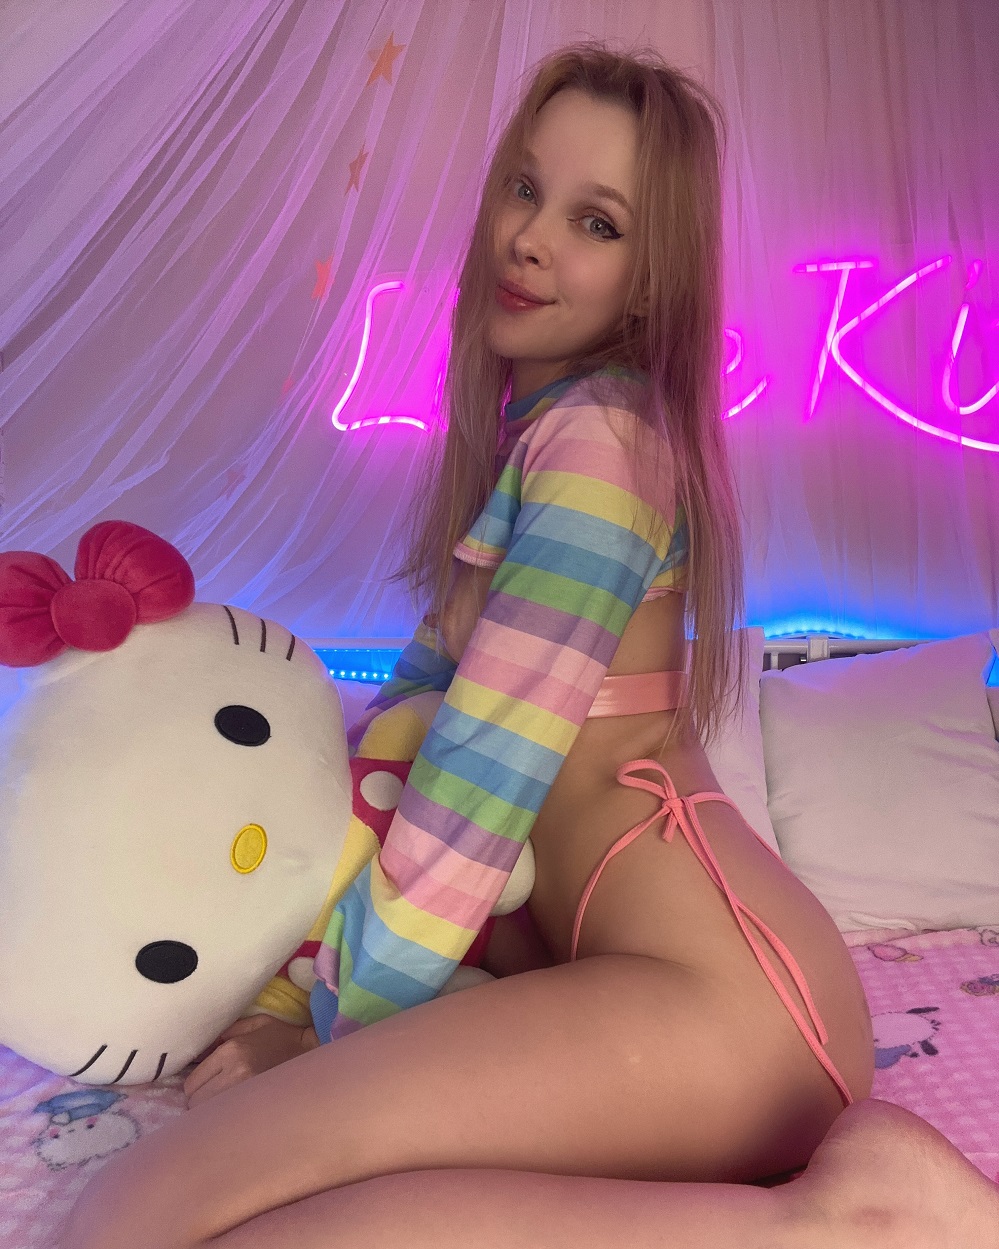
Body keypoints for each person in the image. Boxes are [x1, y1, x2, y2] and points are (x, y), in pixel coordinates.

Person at [61, 43, 999, 1249]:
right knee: (217, 1210)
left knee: (143, 1204)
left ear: (650, 282)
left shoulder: (603, 447)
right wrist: (297, 990)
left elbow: (479, 778)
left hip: (733, 1012)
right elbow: (402, 741)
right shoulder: (536, 443)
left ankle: (847, 1224)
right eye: (524, 188)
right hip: (672, 1001)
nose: (531, 239)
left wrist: (331, 1031)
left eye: (595, 222)